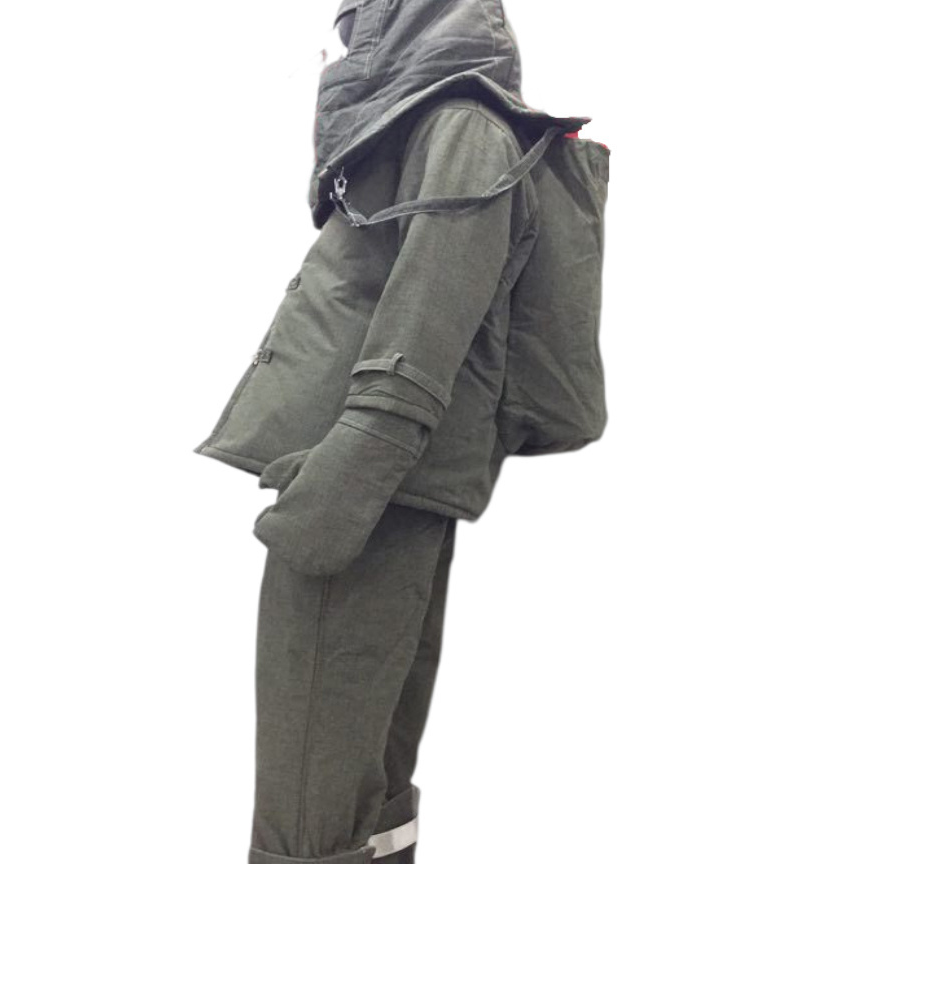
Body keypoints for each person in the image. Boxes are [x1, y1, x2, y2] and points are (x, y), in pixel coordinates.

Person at [193, 0, 594, 863]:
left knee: (308, 808)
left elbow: (429, 321)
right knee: (354, 784)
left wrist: (337, 490)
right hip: (378, 489)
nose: (341, 38)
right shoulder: (435, 123)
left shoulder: (461, 125)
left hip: (362, 494)